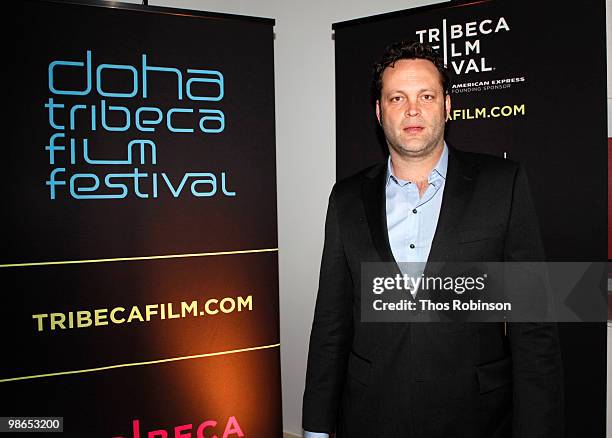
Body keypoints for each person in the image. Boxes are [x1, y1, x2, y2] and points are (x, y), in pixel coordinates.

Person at [302, 41, 563, 437]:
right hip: (371, 416)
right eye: (396, 97)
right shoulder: (347, 197)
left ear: (447, 106)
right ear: (379, 111)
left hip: (476, 418)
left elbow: (534, 325)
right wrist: (317, 428)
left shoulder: (502, 184)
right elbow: (330, 323)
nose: (412, 109)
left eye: (426, 95)